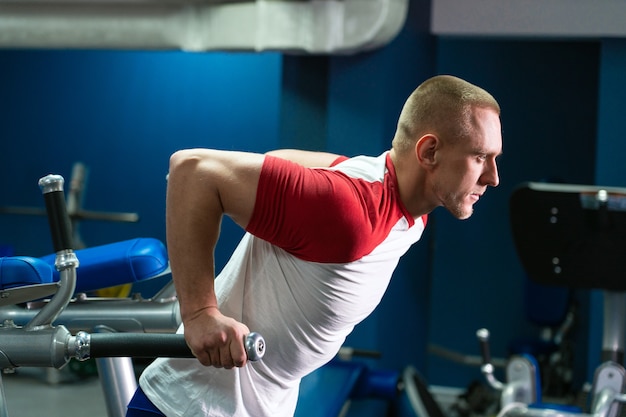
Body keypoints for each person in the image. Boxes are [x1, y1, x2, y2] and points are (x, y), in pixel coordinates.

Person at [126, 74, 503, 417]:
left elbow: (278, 162)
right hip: (190, 407)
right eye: (480, 157)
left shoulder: (409, 209)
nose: (493, 177)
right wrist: (199, 314)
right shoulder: (348, 210)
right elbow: (192, 170)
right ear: (429, 152)